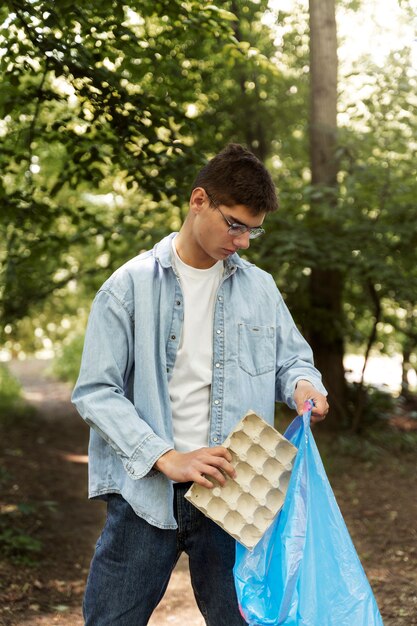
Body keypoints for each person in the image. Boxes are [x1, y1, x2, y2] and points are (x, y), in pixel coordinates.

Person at [72, 143, 329, 625]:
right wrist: (166, 457)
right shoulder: (128, 287)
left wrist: (302, 385)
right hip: (146, 494)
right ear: (198, 201)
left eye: (253, 230)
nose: (244, 241)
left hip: (234, 492)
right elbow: (95, 393)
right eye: (234, 225)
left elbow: (291, 361)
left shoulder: (261, 288)